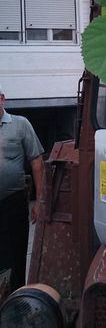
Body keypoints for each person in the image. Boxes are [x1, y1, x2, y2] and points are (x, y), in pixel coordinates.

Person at [0, 84, 44, 292]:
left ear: (2, 99)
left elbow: (36, 161)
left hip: (14, 201)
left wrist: (40, 200)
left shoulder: (20, 124)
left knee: (17, 251)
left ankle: (17, 298)